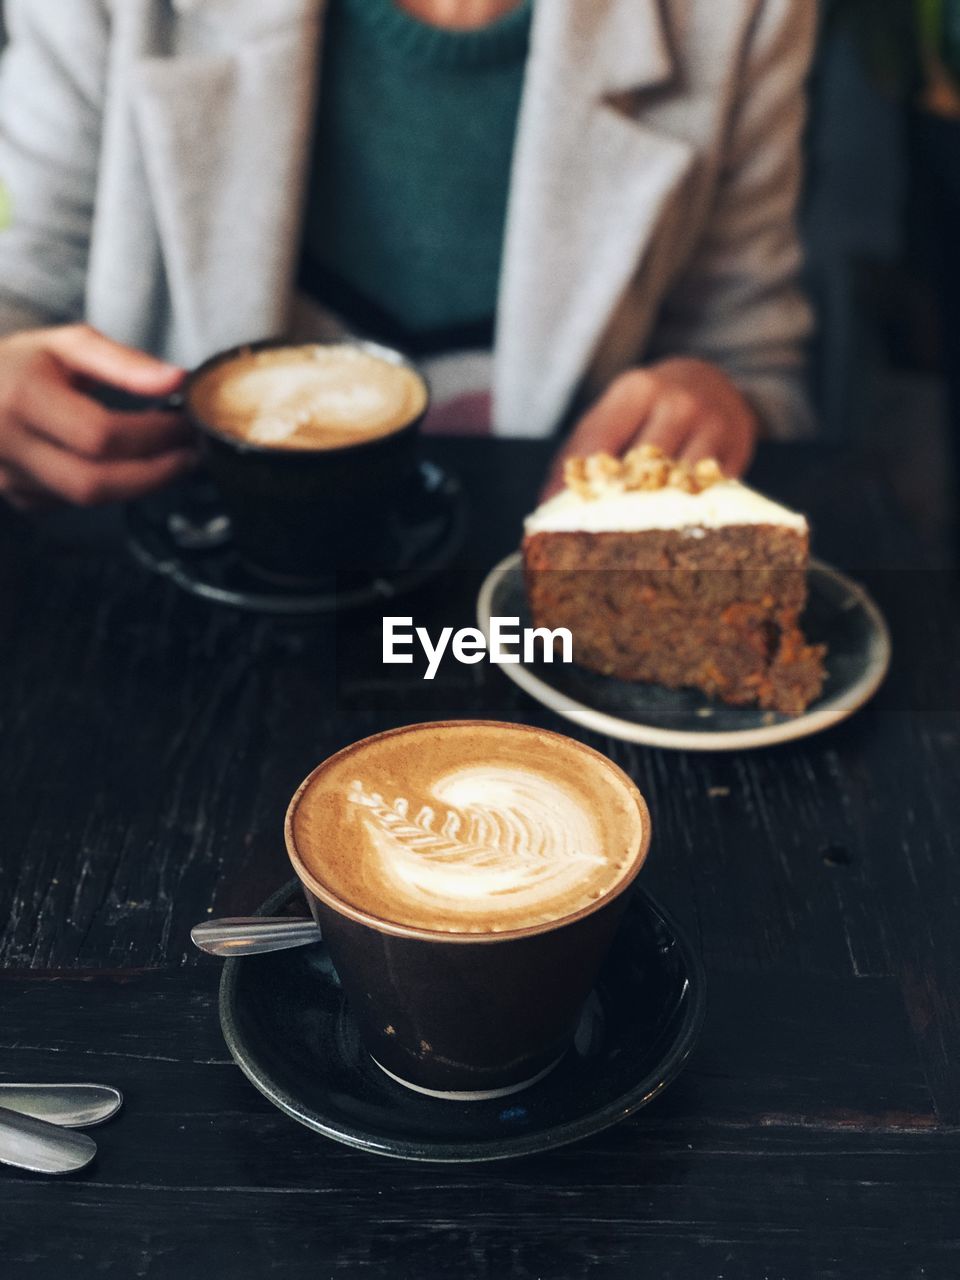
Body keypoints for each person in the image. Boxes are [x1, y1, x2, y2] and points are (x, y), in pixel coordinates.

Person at [0, 0, 816, 509]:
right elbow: (21, 285)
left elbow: (754, 363)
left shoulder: (738, 14)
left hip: (534, 637)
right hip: (170, 609)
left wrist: (718, 397)